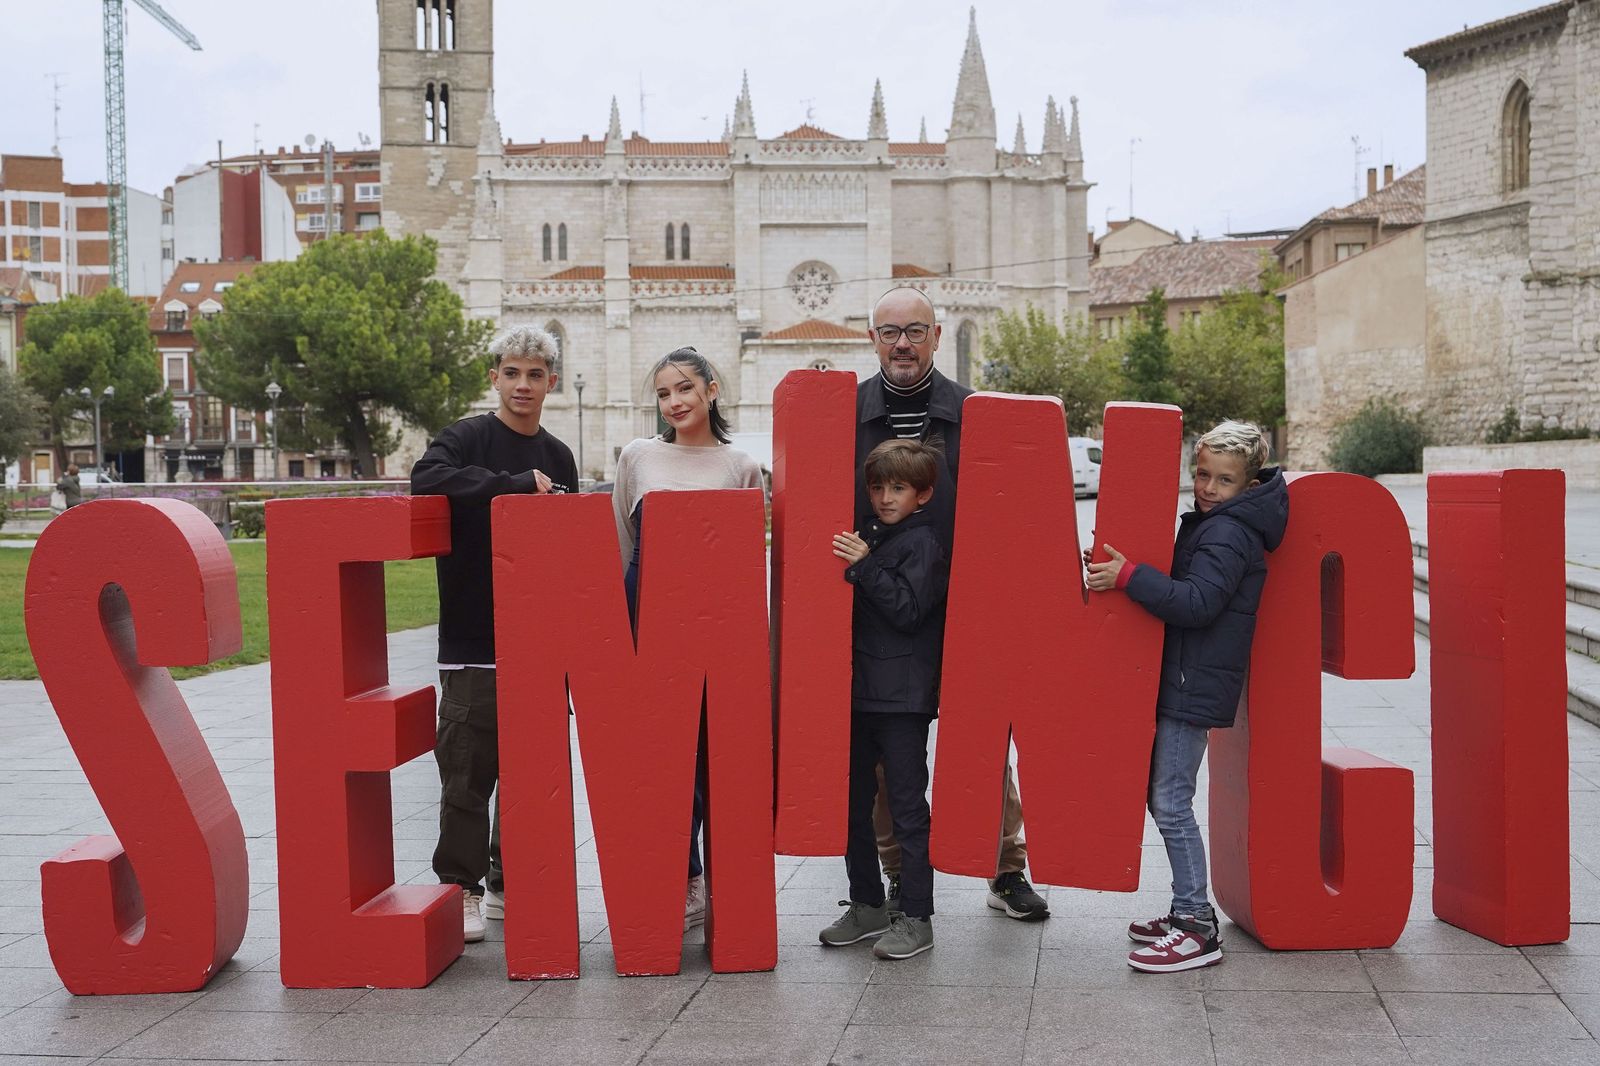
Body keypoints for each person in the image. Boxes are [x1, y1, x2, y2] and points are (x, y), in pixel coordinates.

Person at [856, 285, 1050, 922]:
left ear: (938, 336)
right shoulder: (848, 414)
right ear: (873, 339)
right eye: (890, 332)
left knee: (985, 743)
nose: (903, 343)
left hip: (970, 610)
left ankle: (1007, 868)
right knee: (887, 758)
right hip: (887, 609)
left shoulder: (976, 413)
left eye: (915, 330)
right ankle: (897, 875)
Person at [1085, 420, 1288, 973]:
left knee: (1171, 803)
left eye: (1222, 480)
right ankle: (1185, 911)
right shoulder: (1216, 522)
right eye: (1201, 474)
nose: (1206, 488)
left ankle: (1196, 923)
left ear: (1248, 486)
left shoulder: (1229, 531)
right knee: (1166, 799)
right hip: (1184, 676)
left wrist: (1129, 576)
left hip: (1191, 684)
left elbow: (1198, 603)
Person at [410, 325, 578, 943]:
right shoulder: (468, 436)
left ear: (550, 383)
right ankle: (462, 888)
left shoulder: (559, 455)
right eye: (512, 373)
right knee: (466, 778)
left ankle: (508, 882)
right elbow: (425, 480)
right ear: (494, 378)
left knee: (530, 780)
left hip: (537, 644)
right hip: (474, 643)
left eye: (535, 375)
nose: (523, 385)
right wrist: (509, 487)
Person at [611, 346, 764, 931]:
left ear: (712, 390)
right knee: (657, 758)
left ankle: (712, 879)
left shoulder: (740, 467)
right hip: (646, 614)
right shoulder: (638, 457)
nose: (674, 402)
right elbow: (623, 543)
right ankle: (681, 876)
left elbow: (747, 560)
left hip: (714, 626)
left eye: (684, 390)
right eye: (663, 393)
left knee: (706, 757)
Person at [819, 439, 948, 960]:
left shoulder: (925, 544)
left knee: (906, 809)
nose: (885, 497)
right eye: (877, 487)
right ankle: (868, 903)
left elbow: (908, 611)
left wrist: (867, 566)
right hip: (858, 693)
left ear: (924, 494)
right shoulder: (870, 533)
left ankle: (917, 916)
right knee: (852, 808)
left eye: (898, 488)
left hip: (903, 701)